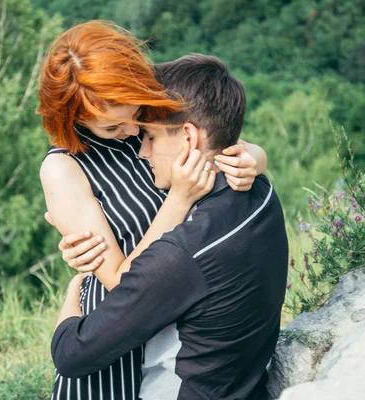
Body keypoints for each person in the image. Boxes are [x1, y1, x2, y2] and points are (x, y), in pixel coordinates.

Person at [37, 21, 268, 400]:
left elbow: (221, 139)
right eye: (112, 127)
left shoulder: (151, 94)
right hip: (117, 332)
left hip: (185, 324)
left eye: (137, 114)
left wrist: (253, 159)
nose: (131, 132)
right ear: (75, 118)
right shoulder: (64, 168)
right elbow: (119, 281)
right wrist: (179, 198)